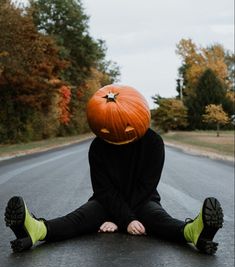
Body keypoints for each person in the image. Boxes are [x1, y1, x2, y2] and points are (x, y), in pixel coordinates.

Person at [4, 85, 224, 255]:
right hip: (105, 203)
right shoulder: (98, 147)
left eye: (126, 125)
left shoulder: (154, 143)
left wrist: (122, 220)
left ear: (140, 116)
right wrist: (125, 220)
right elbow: (104, 190)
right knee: (77, 219)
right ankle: (35, 230)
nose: (119, 130)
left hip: (143, 200)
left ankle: (195, 232)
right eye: (110, 127)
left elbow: (146, 187)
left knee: (157, 219)